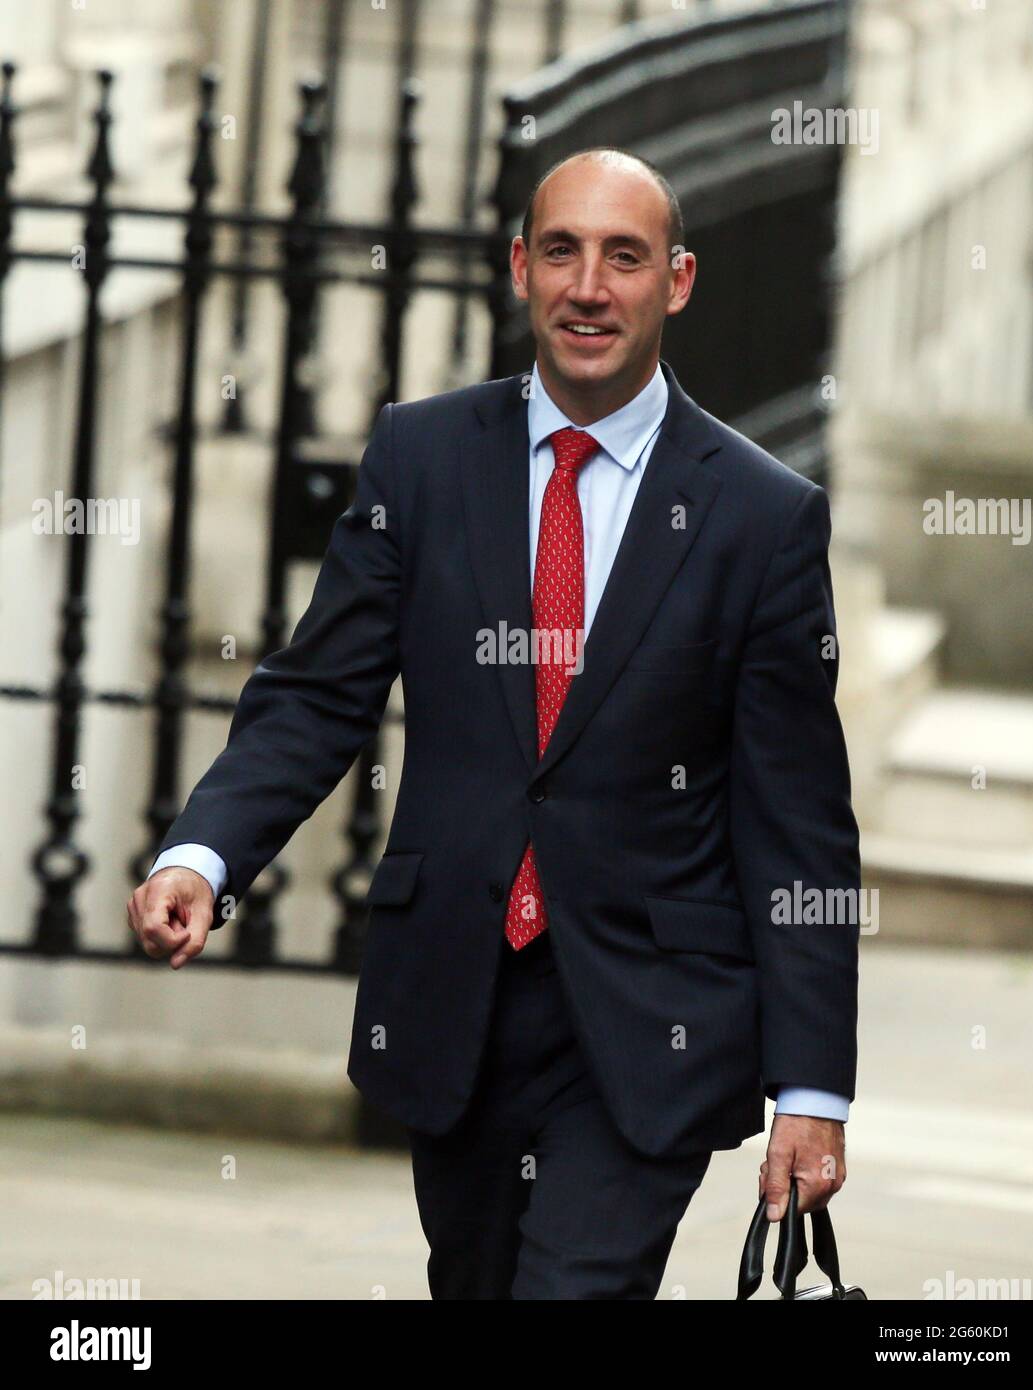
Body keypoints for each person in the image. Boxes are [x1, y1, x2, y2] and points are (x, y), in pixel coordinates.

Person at [127, 147, 860, 1300]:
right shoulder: (419, 459)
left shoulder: (760, 517)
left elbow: (800, 822)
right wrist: (204, 852)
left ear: (676, 281)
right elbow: (321, 693)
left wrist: (810, 1091)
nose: (588, 286)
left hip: (650, 1020)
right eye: (561, 250)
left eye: (624, 257)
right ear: (519, 268)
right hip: (457, 995)